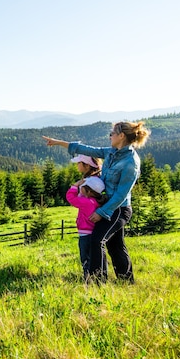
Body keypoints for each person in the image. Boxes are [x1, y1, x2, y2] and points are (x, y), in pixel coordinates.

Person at [42, 121, 151, 284]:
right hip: (108, 206)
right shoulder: (111, 152)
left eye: (112, 133)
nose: (110, 136)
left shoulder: (131, 163)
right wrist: (58, 143)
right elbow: (88, 150)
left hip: (119, 209)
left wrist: (101, 212)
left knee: (97, 240)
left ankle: (97, 282)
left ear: (121, 136)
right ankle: (127, 282)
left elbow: (121, 194)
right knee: (116, 246)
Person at [66, 176, 106, 280]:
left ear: (88, 192)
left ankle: (88, 277)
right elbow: (81, 197)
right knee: (93, 256)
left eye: (82, 187)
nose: (80, 188)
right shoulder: (94, 202)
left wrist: (75, 185)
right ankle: (98, 276)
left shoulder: (86, 203)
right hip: (93, 232)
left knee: (85, 258)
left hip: (85, 235)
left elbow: (71, 198)